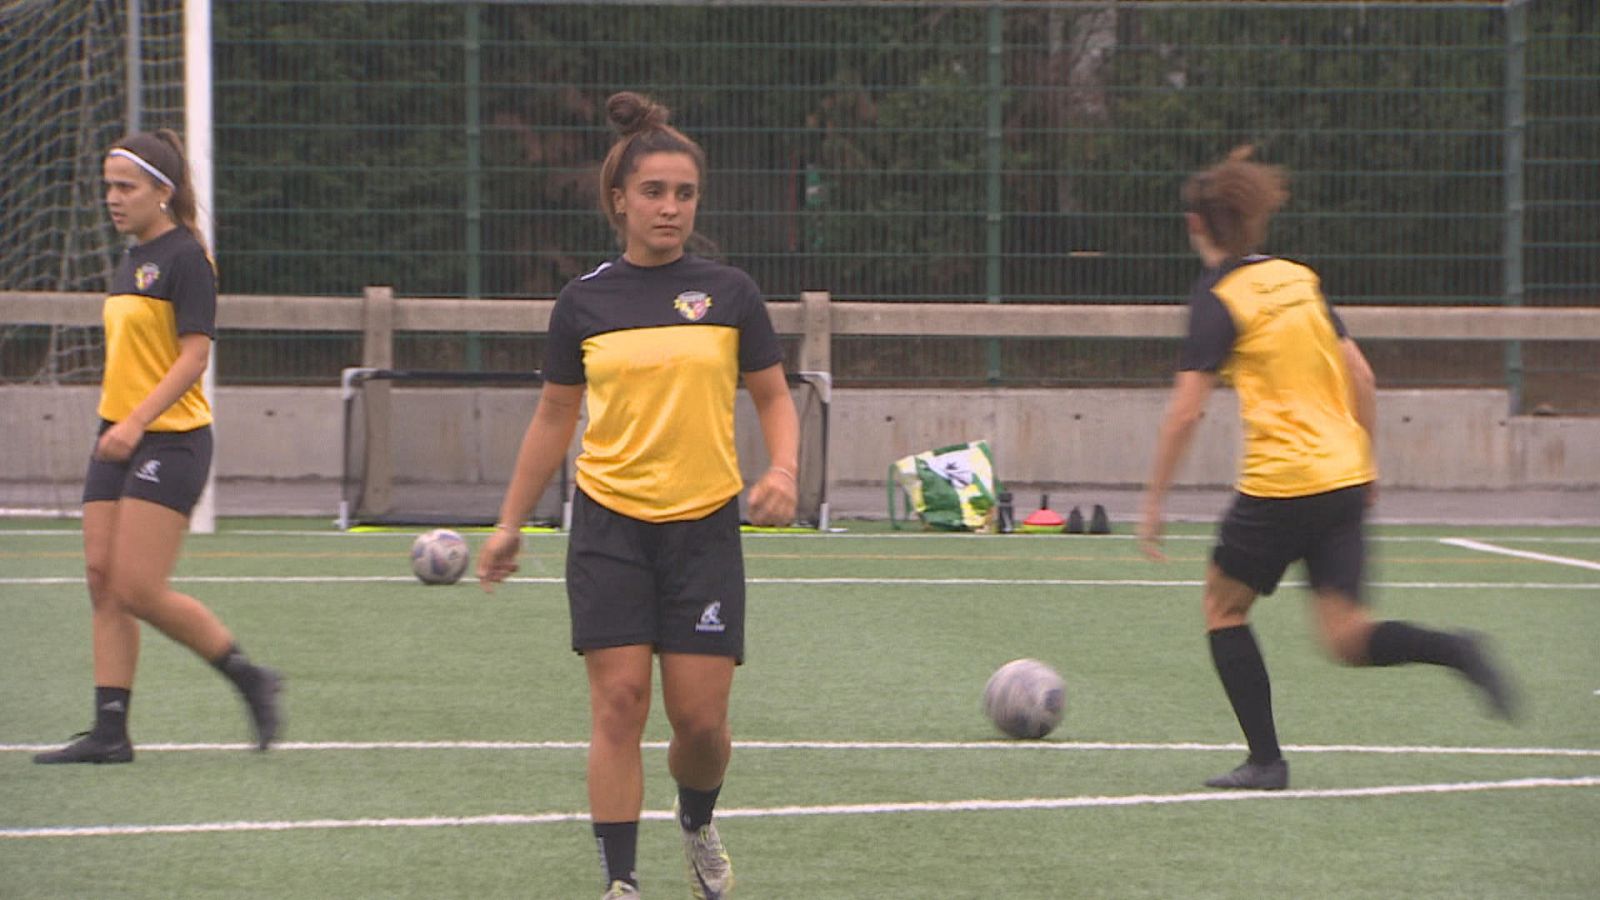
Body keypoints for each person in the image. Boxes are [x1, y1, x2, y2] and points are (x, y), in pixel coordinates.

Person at [477, 92, 798, 900]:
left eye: (684, 194)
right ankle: (622, 883)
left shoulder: (729, 294)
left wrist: (784, 470)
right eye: (654, 192)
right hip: (610, 526)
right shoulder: (584, 301)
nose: (670, 208)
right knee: (619, 704)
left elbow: (774, 395)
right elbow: (555, 415)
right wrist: (510, 523)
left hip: (703, 531)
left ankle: (697, 820)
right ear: (619, 199)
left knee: (699, 725)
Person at [1137, 146, 1514, 791]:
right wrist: (1363, 461)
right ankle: (1455, 649)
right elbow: (1361, 374)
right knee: (1347, 635)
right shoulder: (1298, 277)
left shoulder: (1217, 296)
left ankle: (1266, 761)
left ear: (1195, 225)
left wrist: (1153, 502)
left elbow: (1184, 414)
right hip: (1342, 477)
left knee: (1223, 608)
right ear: (1252, 221)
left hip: (1280, 485)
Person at [34, 130, 282, 765]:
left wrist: (137, 421)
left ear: (163, 192)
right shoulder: (131, 256)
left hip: (168, 441)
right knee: (100, 579)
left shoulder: (186, 259)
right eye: (108, 185)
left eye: (126, 186)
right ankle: (110, 731)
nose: (112, 197)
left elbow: (193, 357)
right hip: (113, 435)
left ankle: (248, 675)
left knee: (138, 587)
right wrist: (117, 423)